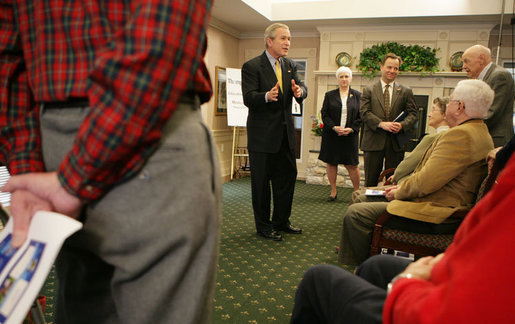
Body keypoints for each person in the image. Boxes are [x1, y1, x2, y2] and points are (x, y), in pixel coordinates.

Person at [0, 1, 220, 323]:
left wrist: (30, 166)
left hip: (54, 148)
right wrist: (74, 177)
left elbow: (6, 60)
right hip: (152, 136)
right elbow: (161, 35)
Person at [291, 149, 515, 324]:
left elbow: (457, 312)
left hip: (439, 300)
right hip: (457, 272)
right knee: (375, 266)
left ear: (460, 106)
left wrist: (405, 282)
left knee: (317, 279)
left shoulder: (462, 136)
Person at [338, 80, 494, 266]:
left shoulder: (460, 135)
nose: (448, 105)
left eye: (451, 101)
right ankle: (372, 263)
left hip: (439, 212)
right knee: (363, 199)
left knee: (357, 213)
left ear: (460, 106)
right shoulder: (480, 131)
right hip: (444, 203)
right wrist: (402, 187)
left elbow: (425, 182)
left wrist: (399, 192)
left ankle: (363, 270)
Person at [241, 23, 307, 241]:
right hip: (262, 137)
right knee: (261, 185)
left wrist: (300, 91)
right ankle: (264, 226)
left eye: (289, 39)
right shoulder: (252, 66)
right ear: (269, 41)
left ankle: (281, 221)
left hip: (286, 136)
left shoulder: (290, 65)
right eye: (283, 38)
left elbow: (302, 89)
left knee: (286, 180)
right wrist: (266, 96)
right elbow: (248, 97)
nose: (288, 43)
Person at [351, 96, 449, 204]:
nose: (429, 114)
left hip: (406, 188)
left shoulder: (432, 138)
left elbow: (407, 165)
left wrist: (396, 177)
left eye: (433, 109)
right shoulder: (449, 136)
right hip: (413, 186)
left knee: (359, 195)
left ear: (444, 115)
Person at [360, 53, 418, 187]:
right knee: (370, 181)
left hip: (396, 143)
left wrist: (402, 125)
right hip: (373, 142)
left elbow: (413, 114)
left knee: (393, 181)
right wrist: (381, 124)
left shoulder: (406, 91)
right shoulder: (369, 90)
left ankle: (388, 207)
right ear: (381, 67)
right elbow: (364, 113)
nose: (392, 71)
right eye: (389, 67)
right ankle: (368, 206)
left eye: (396, 68)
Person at [319, 66, 362, 200]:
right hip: (332, 135)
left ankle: (357, 192)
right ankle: (333, 191)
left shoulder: (358, 96)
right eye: (341, 76)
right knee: (331, 163)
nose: (344, 79)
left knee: (352, 165)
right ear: (337, 79)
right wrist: (334, 127)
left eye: (346, 76)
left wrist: (352, 129)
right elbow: (324, 114)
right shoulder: (329, 95)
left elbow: (362, 116)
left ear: (351, 78)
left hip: (350, 136)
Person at [462, 44, 515, 147]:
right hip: (484, 137)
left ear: (481, 59)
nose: (463, 66)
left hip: (496, 140)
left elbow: (492, 112)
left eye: (466, 61)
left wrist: (463, 127)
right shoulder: (481, 78)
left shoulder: (499, 76)